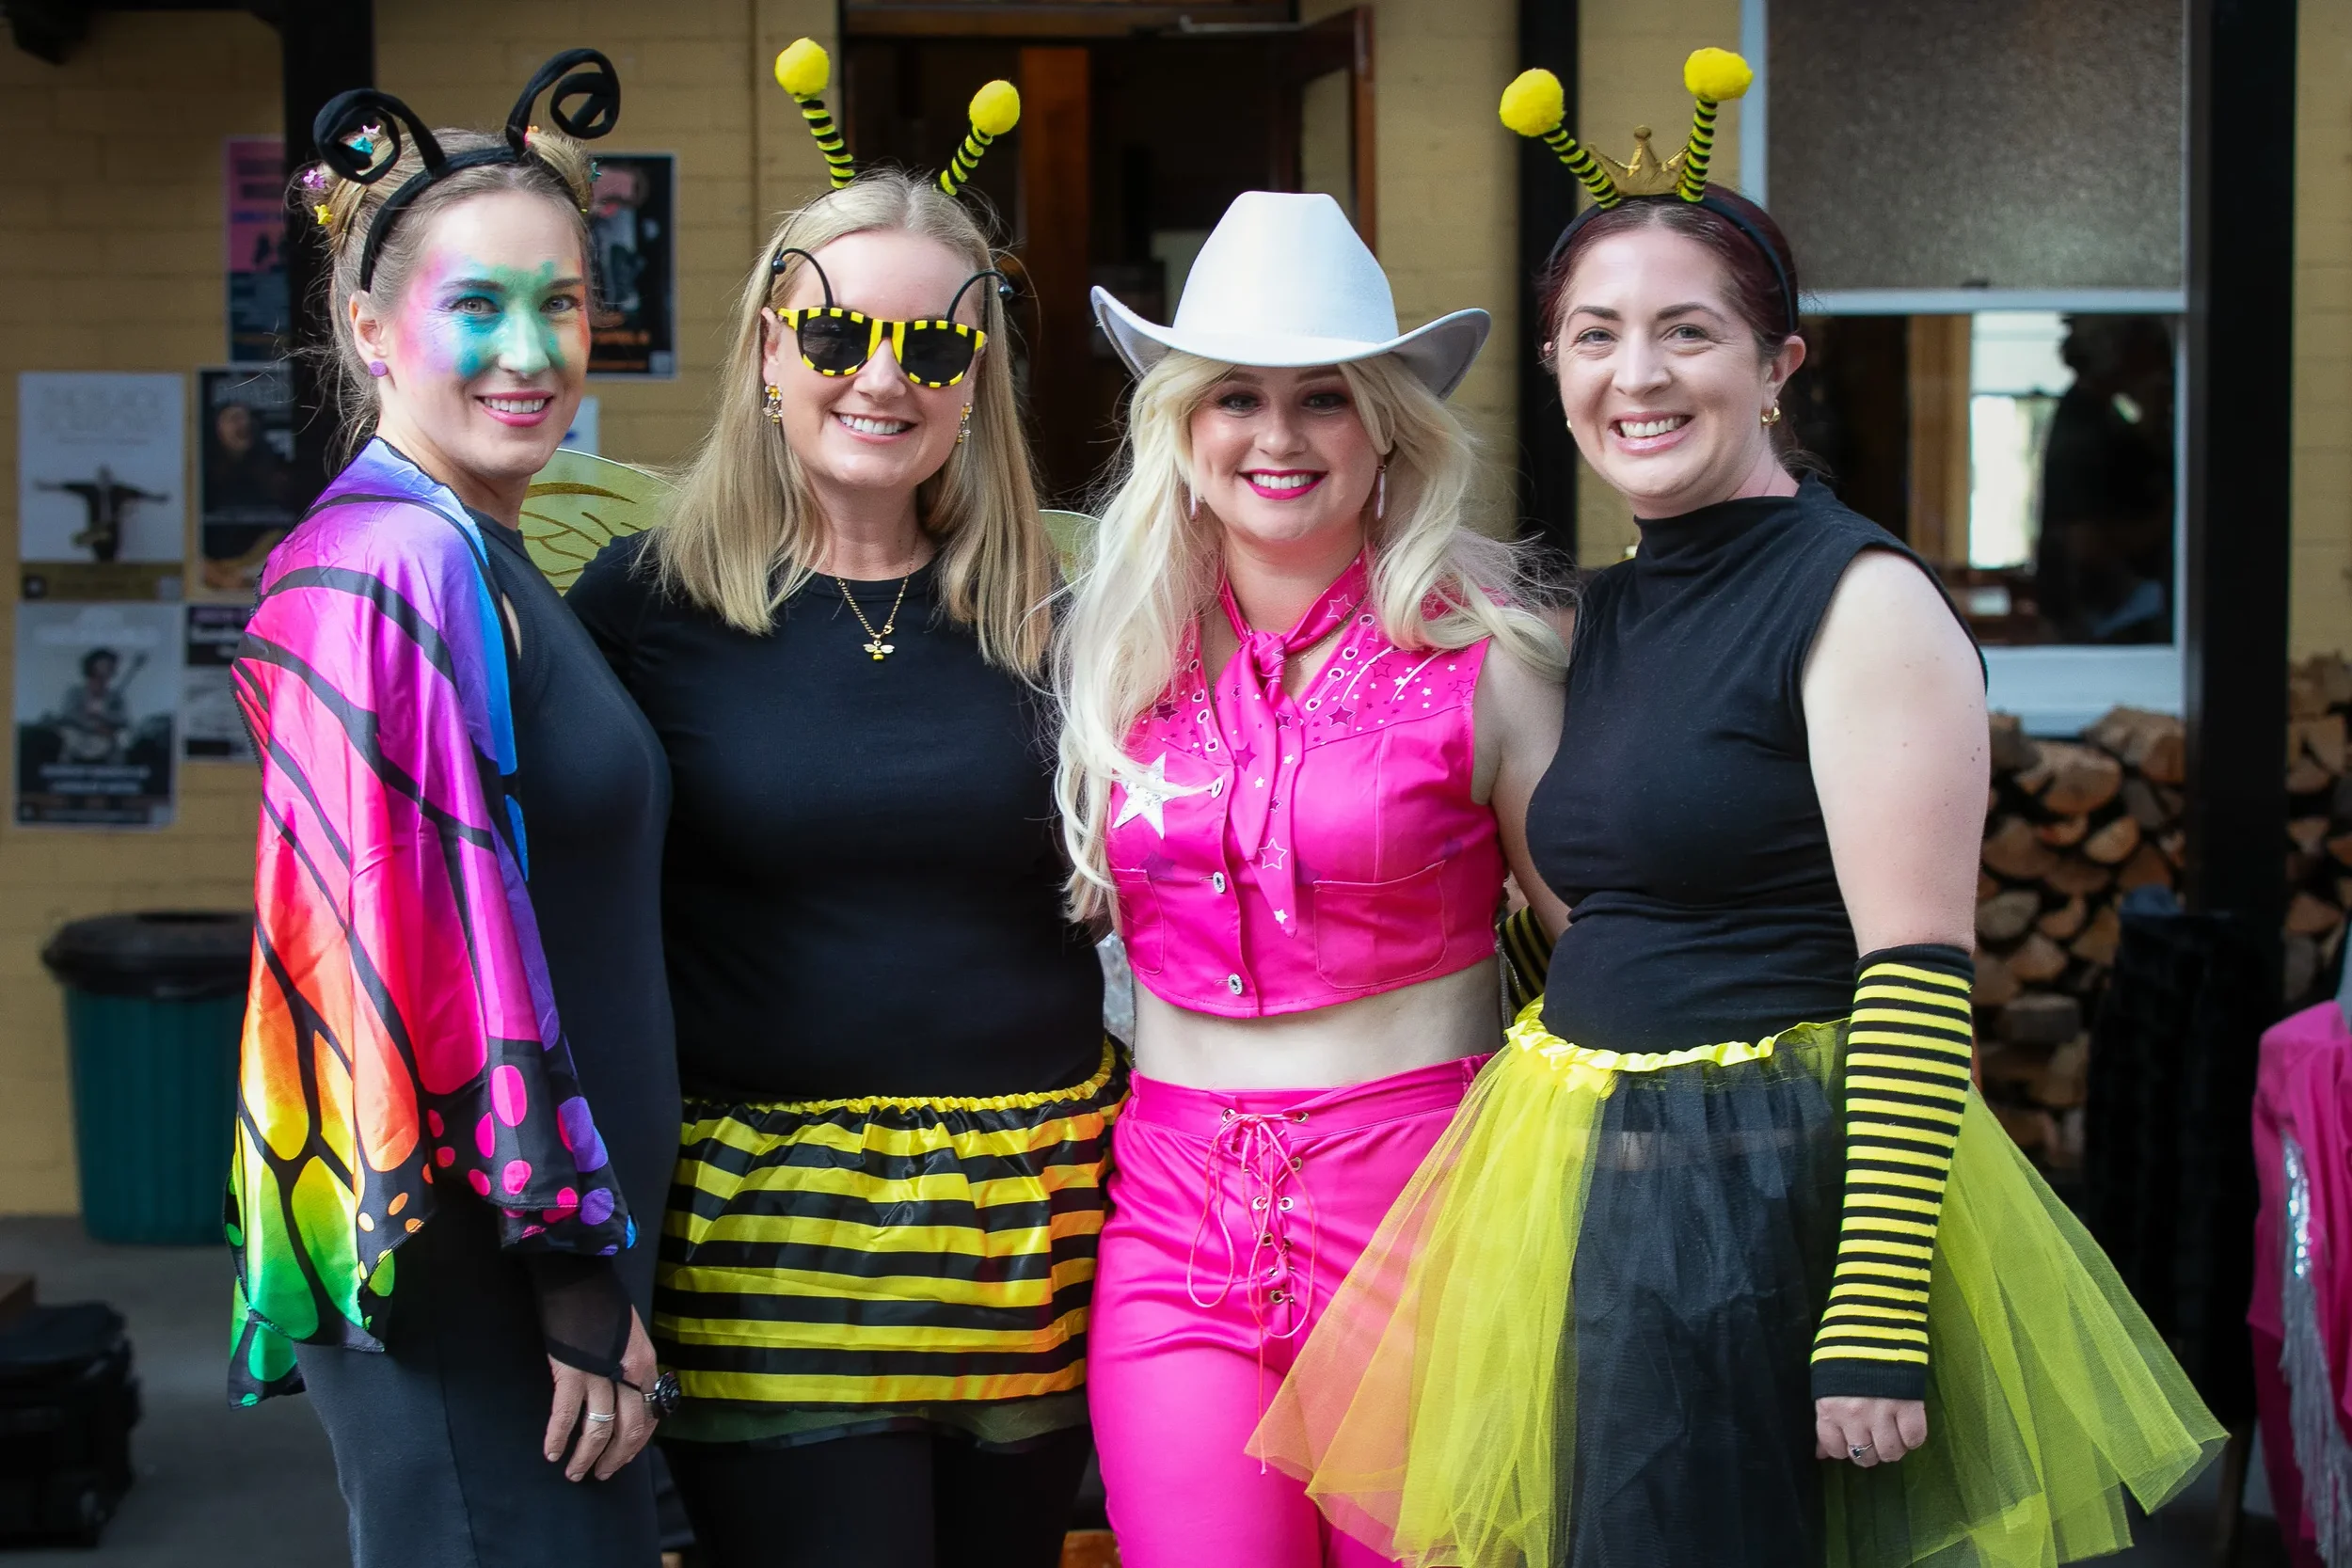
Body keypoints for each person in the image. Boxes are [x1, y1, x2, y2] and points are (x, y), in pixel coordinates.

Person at [1251, 51, 2224, 1568]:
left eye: (1686, 332)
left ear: (1777, 365)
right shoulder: (1617, 612)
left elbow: (1916, 963)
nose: (1636, 376)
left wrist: (1875, 1309)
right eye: (1596, 336)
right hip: (1588, 1184)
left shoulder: (1861, 601)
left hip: (1772, 1208)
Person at [567, 46, 1107, 1568]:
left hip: (1036, 1216)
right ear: (765, 352)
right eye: (841, 334)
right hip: (774, 1231)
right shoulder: (643, 602)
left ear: (975, 377)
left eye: (932, 348)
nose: (884, 376)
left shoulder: (1062, 609)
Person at [1055, 189, 1567, 1568]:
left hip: (1426, 1213)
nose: (1276, 438)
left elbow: (1602, 947)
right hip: (1171, 1218)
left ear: (1389, 422)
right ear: (1183, 424)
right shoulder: (1112, 649)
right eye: (1235, 398)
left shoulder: (1494, 659)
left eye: (1323, 399)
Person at [228, 52, 679, 1568]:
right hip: (483, 1280)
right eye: (474, 305)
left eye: (558, 301)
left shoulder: (477, 545)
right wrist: (566, 1271)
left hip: (524, 1267)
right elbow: (418, 955)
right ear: (368, 327)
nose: (530, 347)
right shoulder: (392, 566)